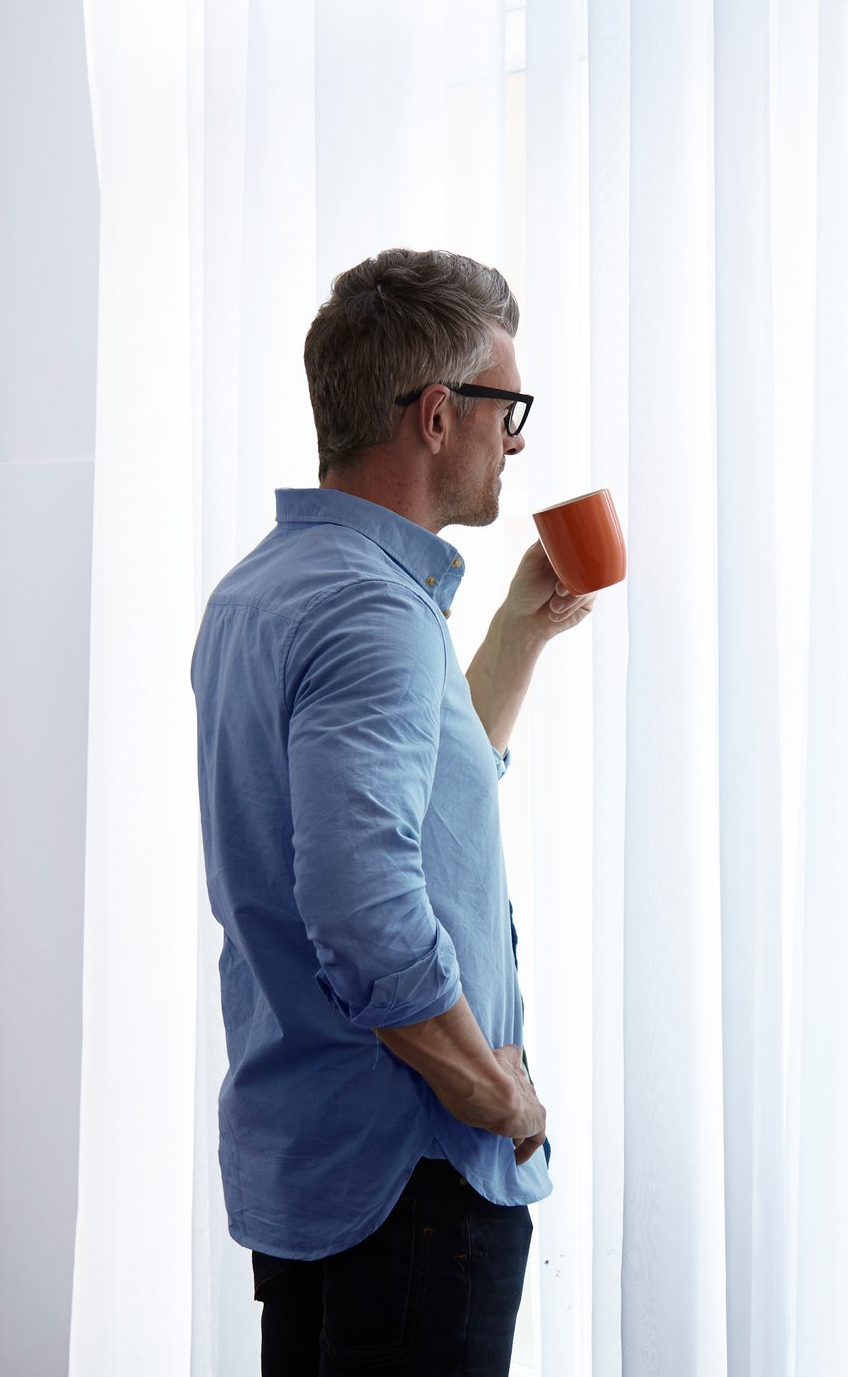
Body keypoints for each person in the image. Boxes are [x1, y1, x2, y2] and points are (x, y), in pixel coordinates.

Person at [189, 247, 595, 1375]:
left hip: (316, 1157)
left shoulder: (265, 591)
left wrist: (517, 631)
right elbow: (363, 903)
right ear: (434, 415)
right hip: (408, 1175)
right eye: (505, 408)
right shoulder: (373, 617)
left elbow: (424, 809)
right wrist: (494, 1094)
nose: (515, 439)